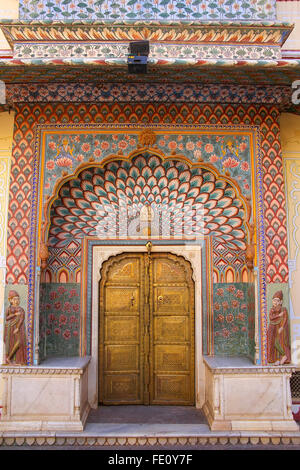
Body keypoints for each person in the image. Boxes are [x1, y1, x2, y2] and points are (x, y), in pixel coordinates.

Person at [267, 290, 291, 365]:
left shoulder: (283, 309)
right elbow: (271, 317)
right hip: (273, 328)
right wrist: (278, 315)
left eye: (277, 301)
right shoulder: (272, 309)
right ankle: (276, 359)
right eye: (274, 301)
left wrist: (282, 327)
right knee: (273, 343)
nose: (275, 302)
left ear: (281, 302)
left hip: (280, 329)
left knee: (280, 342)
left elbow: (285, 318)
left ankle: (284, 356)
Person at [4, 290, 27, 365]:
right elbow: (7, 318)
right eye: (14, 299)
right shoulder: (9, 308)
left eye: (18, 299)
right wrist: (15, 314)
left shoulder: (21, 309)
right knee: (10, 343)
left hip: (18, 328)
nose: (16, 301)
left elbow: (22, 318)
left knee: (19, 342)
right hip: (9, 328)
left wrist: (18, 328)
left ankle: (11, 358)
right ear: (10, 300)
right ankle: (9, 359)